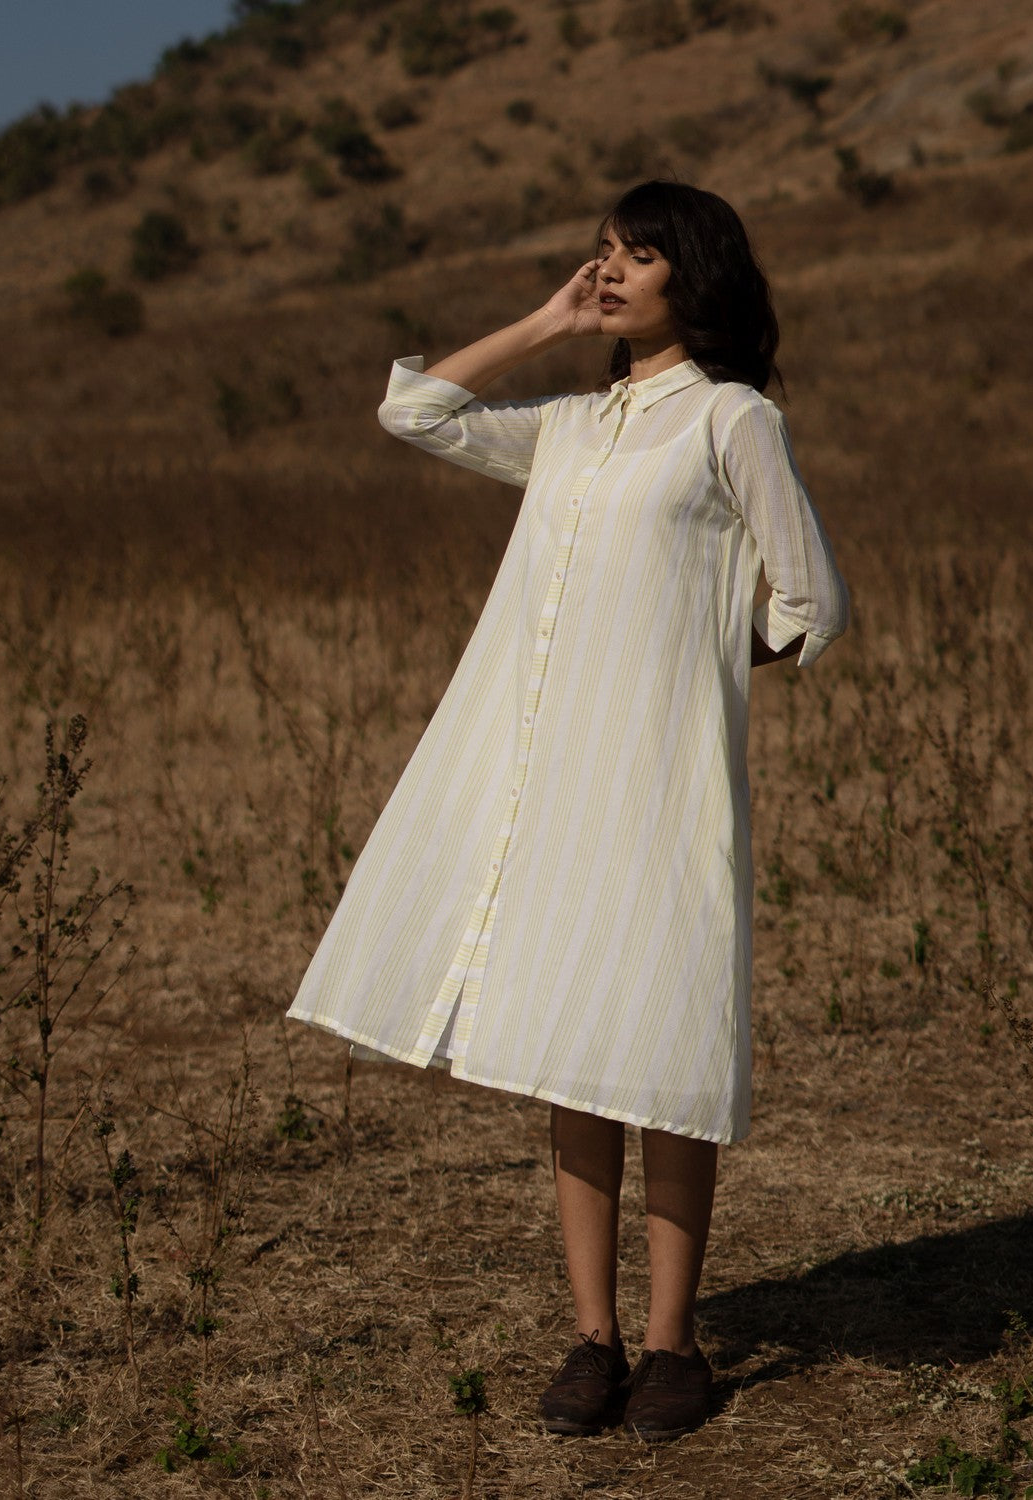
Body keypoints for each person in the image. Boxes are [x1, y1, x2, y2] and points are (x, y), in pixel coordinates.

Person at [287, 180, 849, 1441]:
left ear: (689, 277)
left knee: (665, 1057)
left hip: (658, 780)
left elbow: (812, 603)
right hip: (552, 788)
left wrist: (688, 662)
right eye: (600, 252)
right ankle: (591, 1338)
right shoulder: (576, 426)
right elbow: (413, 408)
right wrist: (544, 323)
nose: (610, 270)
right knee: (575, 1050)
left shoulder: (730, 420)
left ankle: (671, 1348)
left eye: (634, 255)